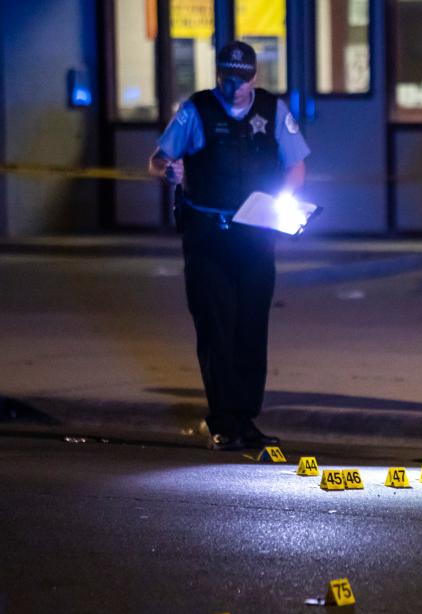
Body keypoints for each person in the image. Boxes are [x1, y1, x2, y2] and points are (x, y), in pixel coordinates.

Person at [148, 41, 310, 450]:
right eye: (225, 77)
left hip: (255, 236)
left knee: (251, 329)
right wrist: (169, 169)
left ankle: (246, 420)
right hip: (207, 236)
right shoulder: (196, 110)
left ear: (255, 77)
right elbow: (158, 158)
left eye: (240, 78)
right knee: (216, 328)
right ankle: (222, 422)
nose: (232, 86)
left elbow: (297, 166)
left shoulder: (273, 111)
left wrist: (281, 202)